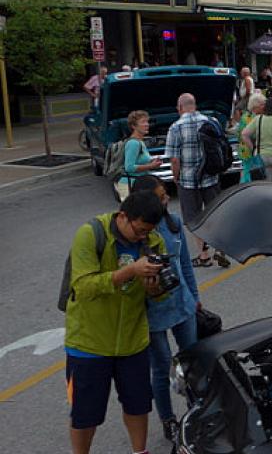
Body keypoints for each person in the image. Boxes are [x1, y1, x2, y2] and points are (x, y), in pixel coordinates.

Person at [64, 191, 166, 454]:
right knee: (85, 414)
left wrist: (153, 287)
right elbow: (83, 286)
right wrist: (130, 271)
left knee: (138, 405)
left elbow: (159, 295)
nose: (143, 237)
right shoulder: (90, 234)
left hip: (133, 342)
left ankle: (139, 451)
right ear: (123, 216)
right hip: (89, 344)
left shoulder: (153, 241)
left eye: (148, 232)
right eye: (139, 230)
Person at [129, 175, 200, 443]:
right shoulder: (136, 233)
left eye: (164, 195)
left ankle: (198, 409)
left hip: (182, 304)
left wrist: (194, 297)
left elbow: (184, 265)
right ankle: (168, 419)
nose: (166, 199)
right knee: (160, 367)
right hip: (152, 313)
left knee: (192, 360)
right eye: (160, 197)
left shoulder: (174, 223)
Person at [165, 93, 228, 268]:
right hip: (211, 177)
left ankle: (204, 255)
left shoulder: (176, 127)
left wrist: (176, 176)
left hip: (188, 181)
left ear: (179, 108)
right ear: (195, 105)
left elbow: (175, 159)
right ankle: (220, 248)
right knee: (214, 213)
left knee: (194, 219)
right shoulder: (210, 121)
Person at [116, 110, 163, 202]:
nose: (147, 124)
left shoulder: (140, 142)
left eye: (147, 121)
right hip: (130, 185)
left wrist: (151, 162)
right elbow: (129, 167)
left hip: (138, 185)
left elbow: (139, 161)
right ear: (133, 126)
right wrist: (151, 166)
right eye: (143, 122)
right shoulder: (133, 143)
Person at [242, 97, 272, 183]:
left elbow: (244, 134)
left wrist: (253, 148)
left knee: (265, 183)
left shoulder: (258, 119)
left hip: (261, 155)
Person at [233, 93, 266, 183]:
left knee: (246, 171)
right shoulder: (253, 118)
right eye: (262, 104)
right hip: (250, 149)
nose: (264, 106)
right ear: (256, 105)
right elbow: (253, 135)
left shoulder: (246, 115)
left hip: (244, 149)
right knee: (251, 173)